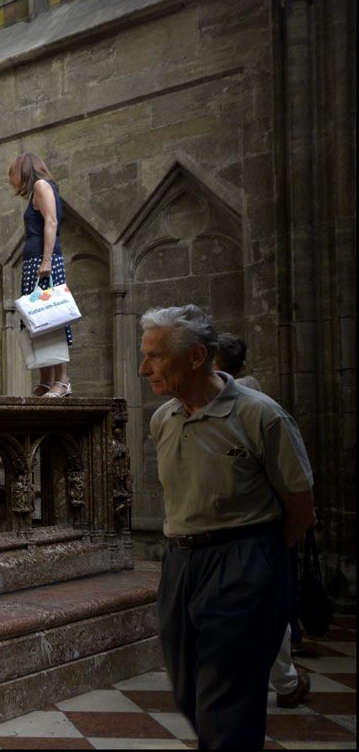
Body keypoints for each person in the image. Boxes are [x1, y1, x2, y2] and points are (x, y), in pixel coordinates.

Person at [139, 305, 315, 748]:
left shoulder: (262, 416)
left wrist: (257, 560)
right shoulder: (163, 419)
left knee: (229, 698)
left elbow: (300, 507)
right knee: (189, 687)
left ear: (196, 357)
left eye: (155, 357)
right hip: (180, 562)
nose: (144, 369)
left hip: (242, 559)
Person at [214, 333, 308, 706]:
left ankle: (281, 682)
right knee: (260, 609)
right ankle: (280, 681)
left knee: (264, 609)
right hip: (240, 528)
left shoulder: (250, 401)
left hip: (253, 525)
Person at [8, 151, 72, 397]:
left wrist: (46, 260)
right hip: (35, 262)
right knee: (37, 321)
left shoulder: (41, 185)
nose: (12, 181)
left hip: (43, 262)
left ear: (23, 170)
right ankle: (46, 380)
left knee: (52, 319)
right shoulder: (36, 191)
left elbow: (51, 222)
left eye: (13, 175)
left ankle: (62, 381)